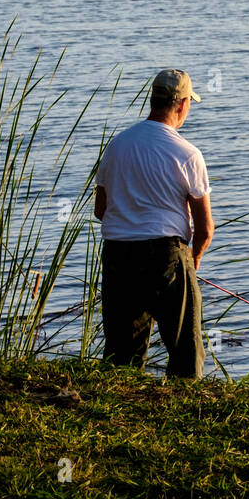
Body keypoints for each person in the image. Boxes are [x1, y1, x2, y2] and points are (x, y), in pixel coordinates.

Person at [94, 68, 214, 377]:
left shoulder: (116, 146)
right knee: (185, 351)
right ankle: (185, 409)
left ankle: (116, 411)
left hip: (118, 256)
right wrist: (194, 259)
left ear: (153, 101)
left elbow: (100, 210)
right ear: (183, 104)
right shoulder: (187, 154)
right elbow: (204, 229)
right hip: (166, 256)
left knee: (122, 354)